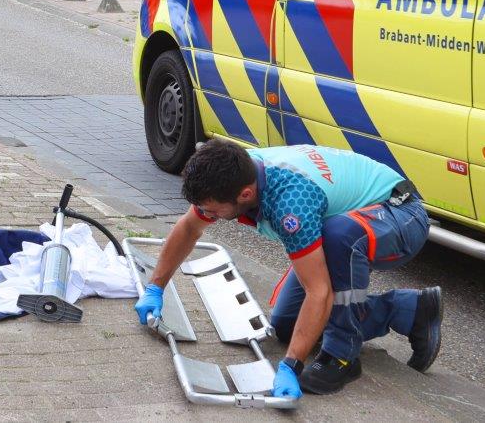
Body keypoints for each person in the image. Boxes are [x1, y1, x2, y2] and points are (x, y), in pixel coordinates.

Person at [133, 139, 442, 399]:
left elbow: (318, 291)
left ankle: (342, 355)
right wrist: (155, 287)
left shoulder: (290, 204)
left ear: (245, 195)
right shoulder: (233, 172)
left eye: (211, 210)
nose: (205, 215)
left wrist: (291, 365)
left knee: (338, 238)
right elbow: (189, 228)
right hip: (357, 213)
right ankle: (411, 310)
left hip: (401, 214)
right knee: (287, 325)